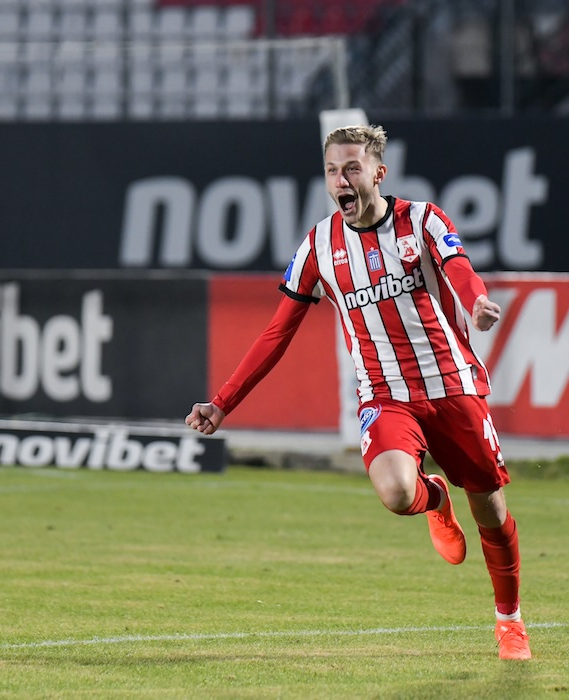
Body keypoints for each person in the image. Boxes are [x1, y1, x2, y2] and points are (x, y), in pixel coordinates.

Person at [185, 124, 531, 661]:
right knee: (397, 494)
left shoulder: (424, 220)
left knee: (490, 510)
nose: (340, 180)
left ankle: (509, 621)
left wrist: (477, 301)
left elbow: (459, 268)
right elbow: (277, 333)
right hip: (384, 394)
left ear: (378, 173)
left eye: (351, 169)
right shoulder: (318, 246)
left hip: (452, 386)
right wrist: (223, 402)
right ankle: (435, 499)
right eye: (331, 171)